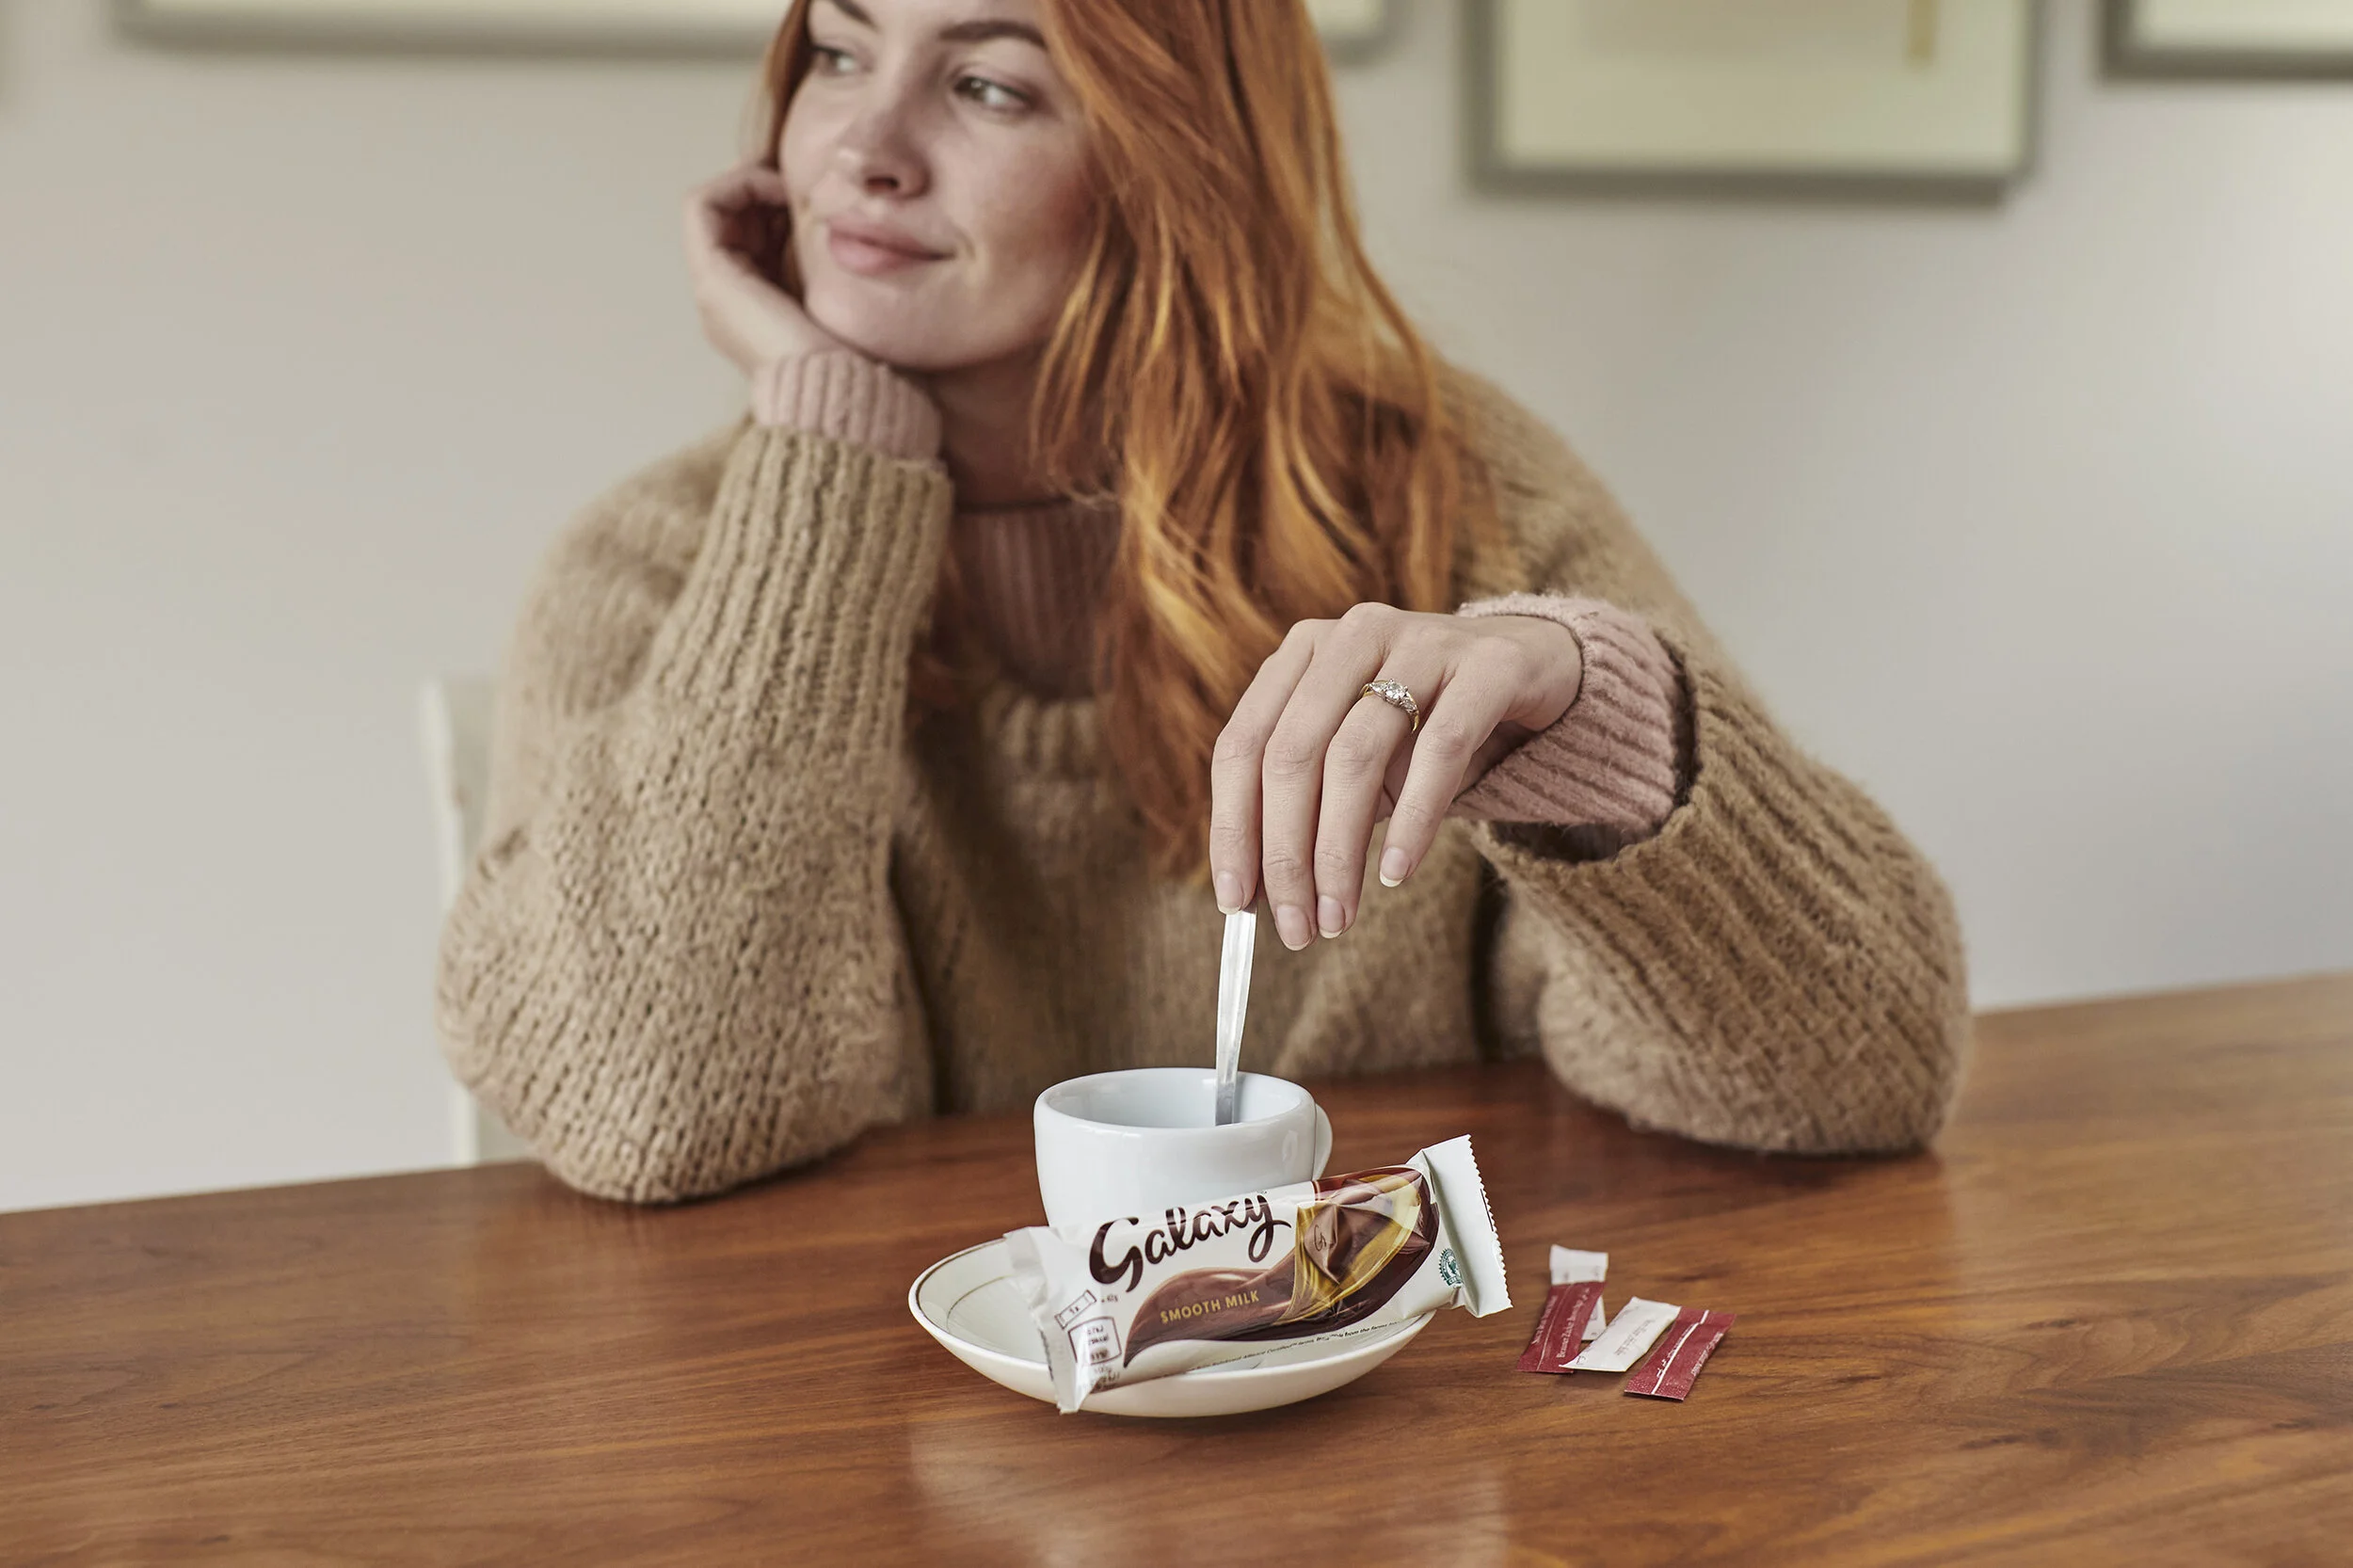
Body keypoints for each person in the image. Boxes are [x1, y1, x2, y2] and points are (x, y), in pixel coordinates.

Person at [437, 0, 1969, 1205]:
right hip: (859, 1444)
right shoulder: (651, 564)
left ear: (1175, 151)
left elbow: (1864, 1075)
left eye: (988, 85)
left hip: (1396, 1434)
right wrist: (830, 456)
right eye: (838, 52)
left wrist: (1596, 728)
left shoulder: (1445, 496)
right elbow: (652, 1109)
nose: (862, 150)